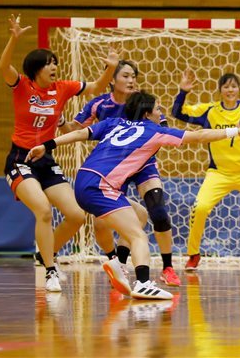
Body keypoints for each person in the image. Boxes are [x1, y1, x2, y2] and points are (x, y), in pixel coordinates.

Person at [26, 91, 240, 299]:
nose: (160, 113)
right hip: (101, 186)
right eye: (157, 109)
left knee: (141, 214)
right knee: (138, 236)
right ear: (146, 113)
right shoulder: (155, 131)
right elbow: (200, 135)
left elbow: (78, 133)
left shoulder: (113, 123)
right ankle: (143, 283)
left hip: (83, 179)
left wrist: (47, 145)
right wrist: (236, 131)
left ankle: (118, 263)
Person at [0, 13, 119, 292]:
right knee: (43, 210)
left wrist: (110, 68)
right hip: (20, 159)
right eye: (48, 63)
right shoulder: (22, 86)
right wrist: (14, 39)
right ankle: (50, 270)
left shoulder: (62, 88)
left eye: (55, 62)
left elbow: (96, 88)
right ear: (36, 69)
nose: (54, 66)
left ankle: (45, 253)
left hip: (45, 159)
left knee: (76, 215)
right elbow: (4, 66)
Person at [65, 60, 181, 286]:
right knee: (102, 224)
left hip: (143, 163)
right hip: (113, 167)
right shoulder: (99, 105)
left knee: (158, 211)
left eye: (134, 76)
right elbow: (74, 130)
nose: (131, 81)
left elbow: (163, 131)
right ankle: (117, 263)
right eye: (126, 76)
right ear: (112, 79)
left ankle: (167, 267)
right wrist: (58, 121)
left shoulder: (144, 102)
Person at [171, 70, 240, 270]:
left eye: (233, 86)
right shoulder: (210, 110)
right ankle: (193, 254)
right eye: (226, 86)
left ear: (239, 89)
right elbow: (177, 113)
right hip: (219, 173)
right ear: (220, 90)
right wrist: (183, 91)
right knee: (200, 208)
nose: (230, 90)